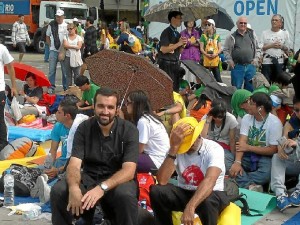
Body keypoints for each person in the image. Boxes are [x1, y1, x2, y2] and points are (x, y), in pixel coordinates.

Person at [50, 87, 139, 225]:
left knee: (125, 195)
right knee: (59, 190)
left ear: (116, 110)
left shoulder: (129, 130)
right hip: (89, 178)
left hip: (117, 182)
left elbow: (129, 171)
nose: (105, 112)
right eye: (101, 106)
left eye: (110, 107)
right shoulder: (84, 128)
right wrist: (74, 187)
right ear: (94, 105)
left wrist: (102, 188)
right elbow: (74, 163)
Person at [150, 117, 230, 225]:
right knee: (157, 191)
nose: (189, 147)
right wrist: (173, 149)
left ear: (198, 136)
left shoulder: (214, 149)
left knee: (208, 201)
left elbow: (210, 180)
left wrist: (190, 206)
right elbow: (162, 181)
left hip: (212, 193)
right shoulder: (176, 148)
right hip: (186, 191)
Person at [226, 92, 282, 191]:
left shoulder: (275, 123)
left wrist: (249, 147)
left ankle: (237, 179)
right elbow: (242, 142)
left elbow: (273, 149)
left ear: (260, 108)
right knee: (225, 157)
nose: (247, 106)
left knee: (267, 173)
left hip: (264, 157)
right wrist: (237, 162)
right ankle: (250, 185)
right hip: (246, 155)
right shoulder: (247, 118)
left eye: (251, 103)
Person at [126, 90, 170, 173]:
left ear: (135, 104)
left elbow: (139, 150)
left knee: (125, 159)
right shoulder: (148, 117)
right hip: (159, 157)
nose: (126, 105)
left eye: (128, 102)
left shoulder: (144, 121)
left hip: (156, 160)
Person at [270, 96, 300, 211]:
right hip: (296, 161)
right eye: (296, 110)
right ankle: (280, 195)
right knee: (277, 157)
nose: (298, 113)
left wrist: (296, 144)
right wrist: (281, 147)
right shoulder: (294, 119)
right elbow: (284, 136)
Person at [223, 16, 260, 92]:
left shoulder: (252, 34)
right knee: (236, 89)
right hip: (237, 67)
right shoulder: (231, 36)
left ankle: (248, 104)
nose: (243, 24)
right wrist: (229, 60)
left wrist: (256, 59)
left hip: (250, 66)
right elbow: (225, 49)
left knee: (250, 89)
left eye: (245, 23)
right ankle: (236, 104)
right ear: (237, 24)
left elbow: (258, 47)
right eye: (241, 23)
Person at [157, 11, 187, 92]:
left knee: (175, 88)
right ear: (173, 19)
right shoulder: (166, 32)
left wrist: (183, 45)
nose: (181, 20)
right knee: (167, 89)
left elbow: (179, 51)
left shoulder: (177, 33)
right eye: (179, 18)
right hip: (166, 64)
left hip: (175, 63)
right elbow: (163, 49)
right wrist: (179, 43)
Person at [261, 14, 290, 83]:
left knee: (278, 83)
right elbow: (261, 48)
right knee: (266, 83)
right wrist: (271, 45)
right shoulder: (264, 33)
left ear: (280, 22)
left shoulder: (285, 33)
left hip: (279, 61)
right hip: (267, 61)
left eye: (276, 20)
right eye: (272, 20)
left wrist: (281, 46)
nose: (274, 22)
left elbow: (287, 49)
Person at [0, 44, 18, 150]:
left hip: (0, 89)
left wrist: (14, 86)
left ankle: (3, 144)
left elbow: (10, 67)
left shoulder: (1, 48)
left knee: (0, 119)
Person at [46, 9, 68, 93]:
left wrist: (64, 50)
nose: (58, 18)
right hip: (53, 50)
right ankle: (51, 86)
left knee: (64, 71)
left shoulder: (66, 26)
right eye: (57, 17)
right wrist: (50, 44)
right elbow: (47, 36)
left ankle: (65, 87)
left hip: (63, 50)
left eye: (59, 17)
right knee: (51, 70)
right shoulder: (51, 25)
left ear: (63, 17)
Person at [63, 23, 83, 87]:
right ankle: (68, 89)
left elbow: (79, 46)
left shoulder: (79, 37)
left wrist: (69, 46)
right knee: (68, 74)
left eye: (71, 29)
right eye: (68, 29)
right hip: (68, 57)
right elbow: (65, 46)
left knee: (77, 74)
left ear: (75, 29)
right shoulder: (65, 37)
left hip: (76, 58)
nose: (69, 30)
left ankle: (76, 88)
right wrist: (75, 46)